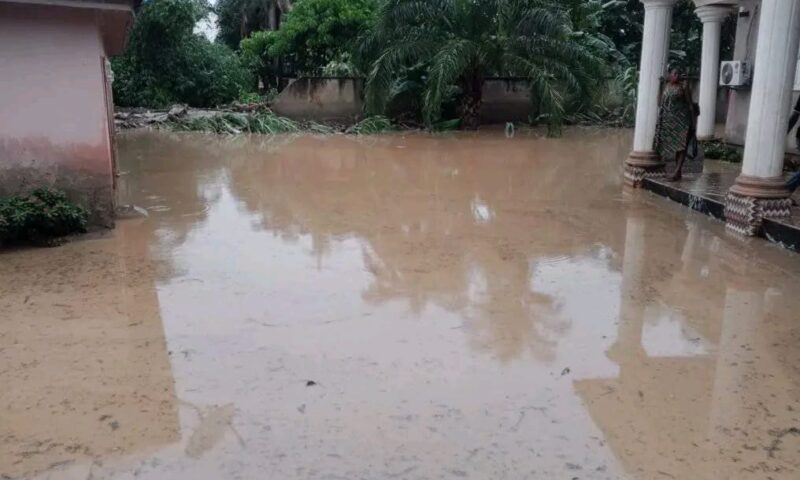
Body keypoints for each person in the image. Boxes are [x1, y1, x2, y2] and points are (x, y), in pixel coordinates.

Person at [654, 68, 697, 181]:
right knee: (675, 147)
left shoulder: (683, 86)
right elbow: (659, 103)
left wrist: (693, 123)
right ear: (670, 75)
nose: (677, 76)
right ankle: (677, 173)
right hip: (670, 123)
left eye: (678, 74)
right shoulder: (666, 86)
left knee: (682, 147)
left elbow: (690, 105)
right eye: (674, 74)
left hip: (683, 122)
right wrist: (659, 85)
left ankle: (677, 171)